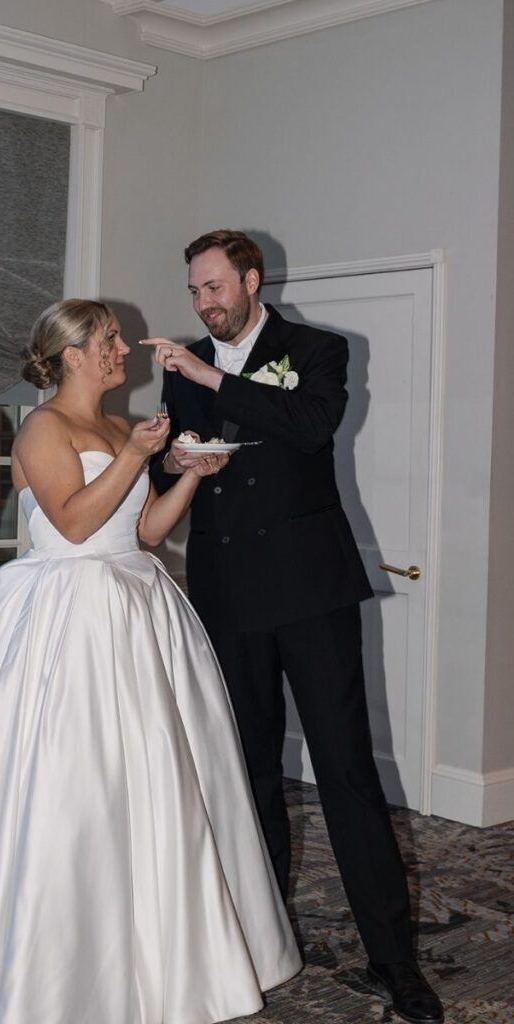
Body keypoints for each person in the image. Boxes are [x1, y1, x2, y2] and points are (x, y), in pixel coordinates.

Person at [0, 298, 301, 1024]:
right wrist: (140, 457)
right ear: (72, 354)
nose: (123, 350)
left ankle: (168, 956)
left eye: (116, 339)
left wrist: (192, 476)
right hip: (66, 619)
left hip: (137, 607)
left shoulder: (116, 425)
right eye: (109, 341)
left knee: (158, 775)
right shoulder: (42, 427)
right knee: (73, 783)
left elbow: (141, 532)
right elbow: (75, 524)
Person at [144, 230, 444, 1024]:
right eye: (195, 292)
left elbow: (312, 426)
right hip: (227, 592)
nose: (204, 303)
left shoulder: (319, 349)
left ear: (250, 280)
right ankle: (265, 935)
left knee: (346, 771)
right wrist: (174, 462)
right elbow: (167, 460)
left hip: (311, 591)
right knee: (248, 774)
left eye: (214, 287)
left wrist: (209, 374)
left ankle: (394, 959)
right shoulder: (181, 372)